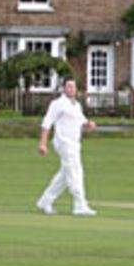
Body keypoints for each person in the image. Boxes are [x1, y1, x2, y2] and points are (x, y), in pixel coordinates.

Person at [36, 78, 97, 216]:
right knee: (76, 172)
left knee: (65, 174)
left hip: (75, 143)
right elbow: (46, 123)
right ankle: (79, 204)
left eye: (73, 87)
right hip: (63, 142)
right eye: (68, 86)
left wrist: (89, 124)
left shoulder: (76, 105)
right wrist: (43, 143)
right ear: (63, 88)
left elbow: (82, 121)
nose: (71, 89)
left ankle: (45, 200)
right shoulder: (57, 104)